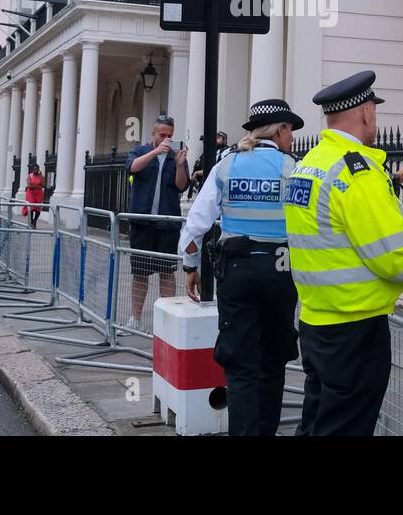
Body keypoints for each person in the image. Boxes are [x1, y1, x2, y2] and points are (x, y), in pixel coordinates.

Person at [285, 70, 403, 436]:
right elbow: (395, 258)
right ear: (366, 111)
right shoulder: (357, 171)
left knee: (318, 423)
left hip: (315, 322)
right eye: (375, 113)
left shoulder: (309, 164)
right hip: (355, 329)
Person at [179, 99, 305, 436]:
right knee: (274, 359)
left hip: (237, 272)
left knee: (240, 363)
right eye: (290, 130)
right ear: (279, 130)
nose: (292, 137)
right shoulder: (292, 168)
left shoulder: (227, 164)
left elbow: (196, 225)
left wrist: (191, 265)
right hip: (281, 272)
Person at [124, 115, 189, 330]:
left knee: (167, 272)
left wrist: (180, 165)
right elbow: (132, 167)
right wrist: (155, 152)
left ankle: (167, 320)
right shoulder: (141, 151)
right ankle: (136, 318)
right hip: (143, 221)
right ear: (153, 133)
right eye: (162, 135)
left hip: (167, 222)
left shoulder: (176, 156)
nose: (167, 139)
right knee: (140, 272)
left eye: (170, 135)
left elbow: (181, 186)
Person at [24, 163, 46, 228]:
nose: (35, 170)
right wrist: (38, 186)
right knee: (31, 208)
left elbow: (44, 185)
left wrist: (34, 186)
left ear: (38, 169)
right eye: (34, 169)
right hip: (30, 193)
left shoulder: (41, 176)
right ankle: (31, 222)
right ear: (32, 170)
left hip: (39, 194)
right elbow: (29, 186)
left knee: (38, 209)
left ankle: (35, 220)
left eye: (36, 169)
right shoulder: (29, 176)